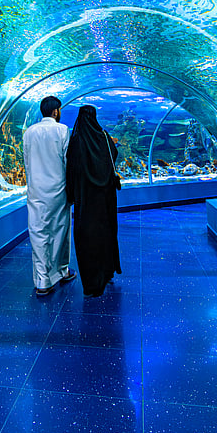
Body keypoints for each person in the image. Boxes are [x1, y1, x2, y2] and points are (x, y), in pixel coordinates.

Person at [22, 95, 76, 296]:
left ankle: (42, 280)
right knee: (60, 231)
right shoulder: (62, 130)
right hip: (58, 189)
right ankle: (62, 271)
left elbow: (27, 162)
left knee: (38, 232)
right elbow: (67, 162)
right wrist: (71, 189)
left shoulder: (29, 132)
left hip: (36, 190)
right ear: (55, 111)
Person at [66, 105, 121, 297]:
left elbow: (70, 169)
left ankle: (91, 284)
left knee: (87, 237)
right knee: (106, 232)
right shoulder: (104, 136)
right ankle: (107, 272)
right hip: (105, 196)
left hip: (85, 198)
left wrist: (71, 194)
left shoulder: (76, 140)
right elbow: (114, 154)